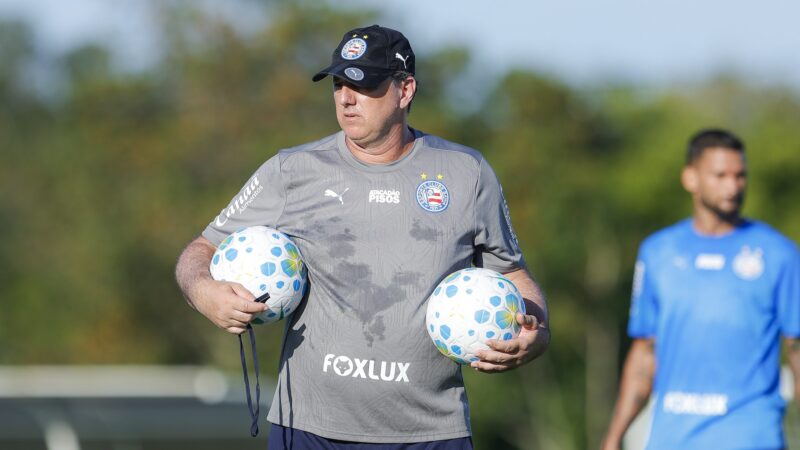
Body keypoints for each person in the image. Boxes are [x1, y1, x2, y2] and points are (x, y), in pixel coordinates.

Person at [175, 24, 550, 449]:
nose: (346, 98)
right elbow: (201, 249)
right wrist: (203, 291)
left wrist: (538, 334)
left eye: (363, 85)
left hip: (429, 435)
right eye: (338, 84)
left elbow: (513, 274)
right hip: (309, 429)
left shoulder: (468, 174)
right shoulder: (292, 171)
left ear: (405, 90)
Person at [602, 129, 800, 450]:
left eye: (740, 176)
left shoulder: (780, 254)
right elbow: (644, 355)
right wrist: (613, 438)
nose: (733, 186)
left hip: (751, 437)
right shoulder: (658, 252)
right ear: (690, 178)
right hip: (672, 438)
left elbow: (797, 350)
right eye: (720, 175)